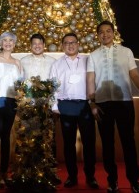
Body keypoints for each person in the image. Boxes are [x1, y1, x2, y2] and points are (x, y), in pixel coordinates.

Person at [86, 21, 139, 193]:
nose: (105, 35)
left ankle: (134, 181)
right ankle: (112, 181)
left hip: (124, 102)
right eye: (101, 32)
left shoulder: (126, 52)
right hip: (102, 104)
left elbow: (134, 73)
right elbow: (91, 79)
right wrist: (92, 103)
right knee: (107, 144)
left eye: (108, 31)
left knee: (128, 142)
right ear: (97, 35)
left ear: (113, 33)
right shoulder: (93, 55)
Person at [49, 33, 98, 189]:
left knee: (89, 143)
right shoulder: (56, 65)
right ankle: (72, 176)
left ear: (78, 44)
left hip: (85, 106)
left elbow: (94, 82)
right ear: (62, 46)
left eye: (73, 42)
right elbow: (52, 87)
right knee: (68, 144)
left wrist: (94, 104)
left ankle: (90, 177)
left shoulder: (88, 61)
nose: (70, 45)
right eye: (66, 43)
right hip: (66, 106)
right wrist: (55, 107)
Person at [20, 33, 61, 185]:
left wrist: (55, 106)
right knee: (28, 139)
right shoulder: (23, 61)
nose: (37, 46)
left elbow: (56, 85)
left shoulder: (52, 62)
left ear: (44, 44)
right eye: (34, 43)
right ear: (30, 46)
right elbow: (20, 85)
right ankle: (28, 173)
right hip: (28, 107)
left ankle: (50, 173)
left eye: (40, 43)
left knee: (49, 140)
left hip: (47, 106)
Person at [0, 32, 22, 188]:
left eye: (11, 40)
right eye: (5, 40)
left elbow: (20, 86)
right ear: (0, 43)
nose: (8, 43)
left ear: (14, 44)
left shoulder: (17, 62)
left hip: (12, 102)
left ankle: (4, 172)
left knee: (6, 137)